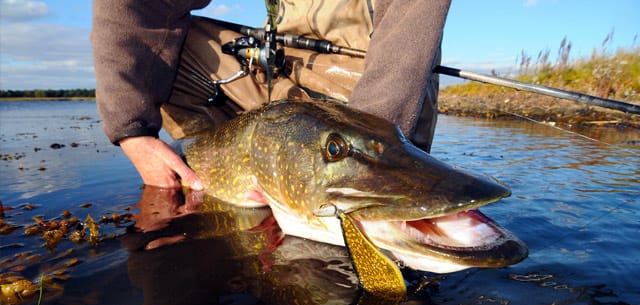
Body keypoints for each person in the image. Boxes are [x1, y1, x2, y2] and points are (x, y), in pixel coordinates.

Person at [92, 0, 450, 190]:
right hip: (282, 70)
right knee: (155, 52)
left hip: (374, 83)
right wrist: (132, 130)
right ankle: (216, 187)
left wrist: (371, 152)